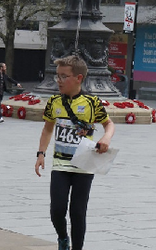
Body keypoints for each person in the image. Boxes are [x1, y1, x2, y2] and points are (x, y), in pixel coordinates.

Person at [34, 55, 115, 250]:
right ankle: (63, 237)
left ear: (78, 78)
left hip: (84, 165)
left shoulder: (92, 102)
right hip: (60, 164)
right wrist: (41, 153)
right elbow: (47, 129)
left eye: (64, 76)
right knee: (57, 210)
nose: (59, 81)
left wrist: (106, 138)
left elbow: (109, 124)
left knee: (78, 212)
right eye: (57, 76)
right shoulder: (54, 102)